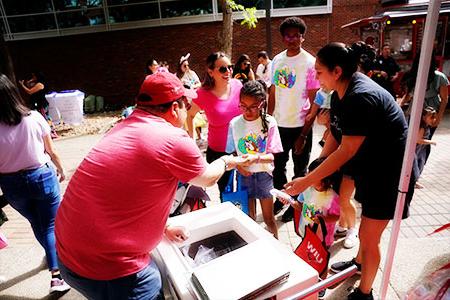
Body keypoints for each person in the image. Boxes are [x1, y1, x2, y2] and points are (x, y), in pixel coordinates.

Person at [55, 72, 247, 299]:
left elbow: (127, 194)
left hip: (68, 256)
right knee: (154, 283)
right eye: (187, 104)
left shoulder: (123, 127)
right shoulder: (172, 137)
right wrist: (227, 160)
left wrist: (162, 227)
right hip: (108, 268)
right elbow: (208, 178)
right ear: (175, 108)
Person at [284, 42, 416, 300]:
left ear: (336, 71)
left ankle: (365, 293)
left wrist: (308, 180)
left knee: (369, 236)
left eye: (319, 71)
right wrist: (317, 165)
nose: (315, 76)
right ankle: (359, 264)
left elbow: (347, 150)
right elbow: (336, 131)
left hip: (389, 173)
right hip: (370, 167)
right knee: (366, 229)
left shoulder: (360, 97)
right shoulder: (340, 92)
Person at [0, 74, 69, 293]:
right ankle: (57, 275)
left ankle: (51, 255)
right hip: (41, 177)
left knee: (37, 223)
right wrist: (61, 168)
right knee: (50, 225)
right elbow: (51, 150)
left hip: (11, 185)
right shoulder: (34, 118)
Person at [269, 17, 320, 222]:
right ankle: (282, 199)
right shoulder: (277, 60)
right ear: (283, 38)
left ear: (302, 37)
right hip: (278, 126)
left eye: (296, 35)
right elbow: (272, 92)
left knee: (300, 170)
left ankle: (296, 204)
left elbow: (314, 100)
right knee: (278, 168)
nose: (292, 39)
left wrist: (304, 134)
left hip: (300, 126)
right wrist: (268, 121)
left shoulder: (309, 62)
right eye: (288, 35)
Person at [226, 80, 283, 238]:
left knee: (269, 219)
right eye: (243, 106)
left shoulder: (269, 122)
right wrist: (239, 167)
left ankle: (276, 248)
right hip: (245, 177)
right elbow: (230, 154)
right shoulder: (234, 124)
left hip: (265, 176)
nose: (247, 111)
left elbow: (272, 155)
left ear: (262, 103)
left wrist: (255, 158)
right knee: (249, 219)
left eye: (252, 107)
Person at [279, 157, 339, 299]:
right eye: (309, 173)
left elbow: (337, 216)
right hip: (306, 230)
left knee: (322, 259)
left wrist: (323, 219)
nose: (308, 177)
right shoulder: (306, 190)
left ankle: (322, 282)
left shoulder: (333, 197)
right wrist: (290, 202)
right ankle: (308, 276)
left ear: (326, 179)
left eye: (314, 174)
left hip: (323, 236)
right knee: (308, 253)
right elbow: (300, 205)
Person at [187, 52, 243, 198]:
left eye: (230, 67)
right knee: (226, 193)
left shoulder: (238, 85)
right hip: (218, 153)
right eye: (223, 69)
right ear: (211, 72)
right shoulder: (202, 94)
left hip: (242, 147)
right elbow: (189, 115)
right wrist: (191, 142)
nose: (228, 72)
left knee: (246, 190)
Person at [19, 71, 58, 138]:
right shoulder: (37, 83)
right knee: (43, 117)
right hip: (38, 103)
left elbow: (29, 91)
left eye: (34, 76)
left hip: (41, 104)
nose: (33, 78)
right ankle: (48, 132)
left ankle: (52, 132)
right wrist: (30, 81)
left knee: (45, 118)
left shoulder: (40, 84)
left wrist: (22, 85)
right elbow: (29, 86)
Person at [414, 106, 437, 188]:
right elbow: (418, 140)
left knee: (420, 164)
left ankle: (414, 181)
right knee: (416, 165)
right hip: (418, 150)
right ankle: (413, 181)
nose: (433, 119)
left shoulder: (426, 126)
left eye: (434, 117)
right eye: (431, 117)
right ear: (424, 117)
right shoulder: (423, 127)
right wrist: (431, 142)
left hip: (421, 150)